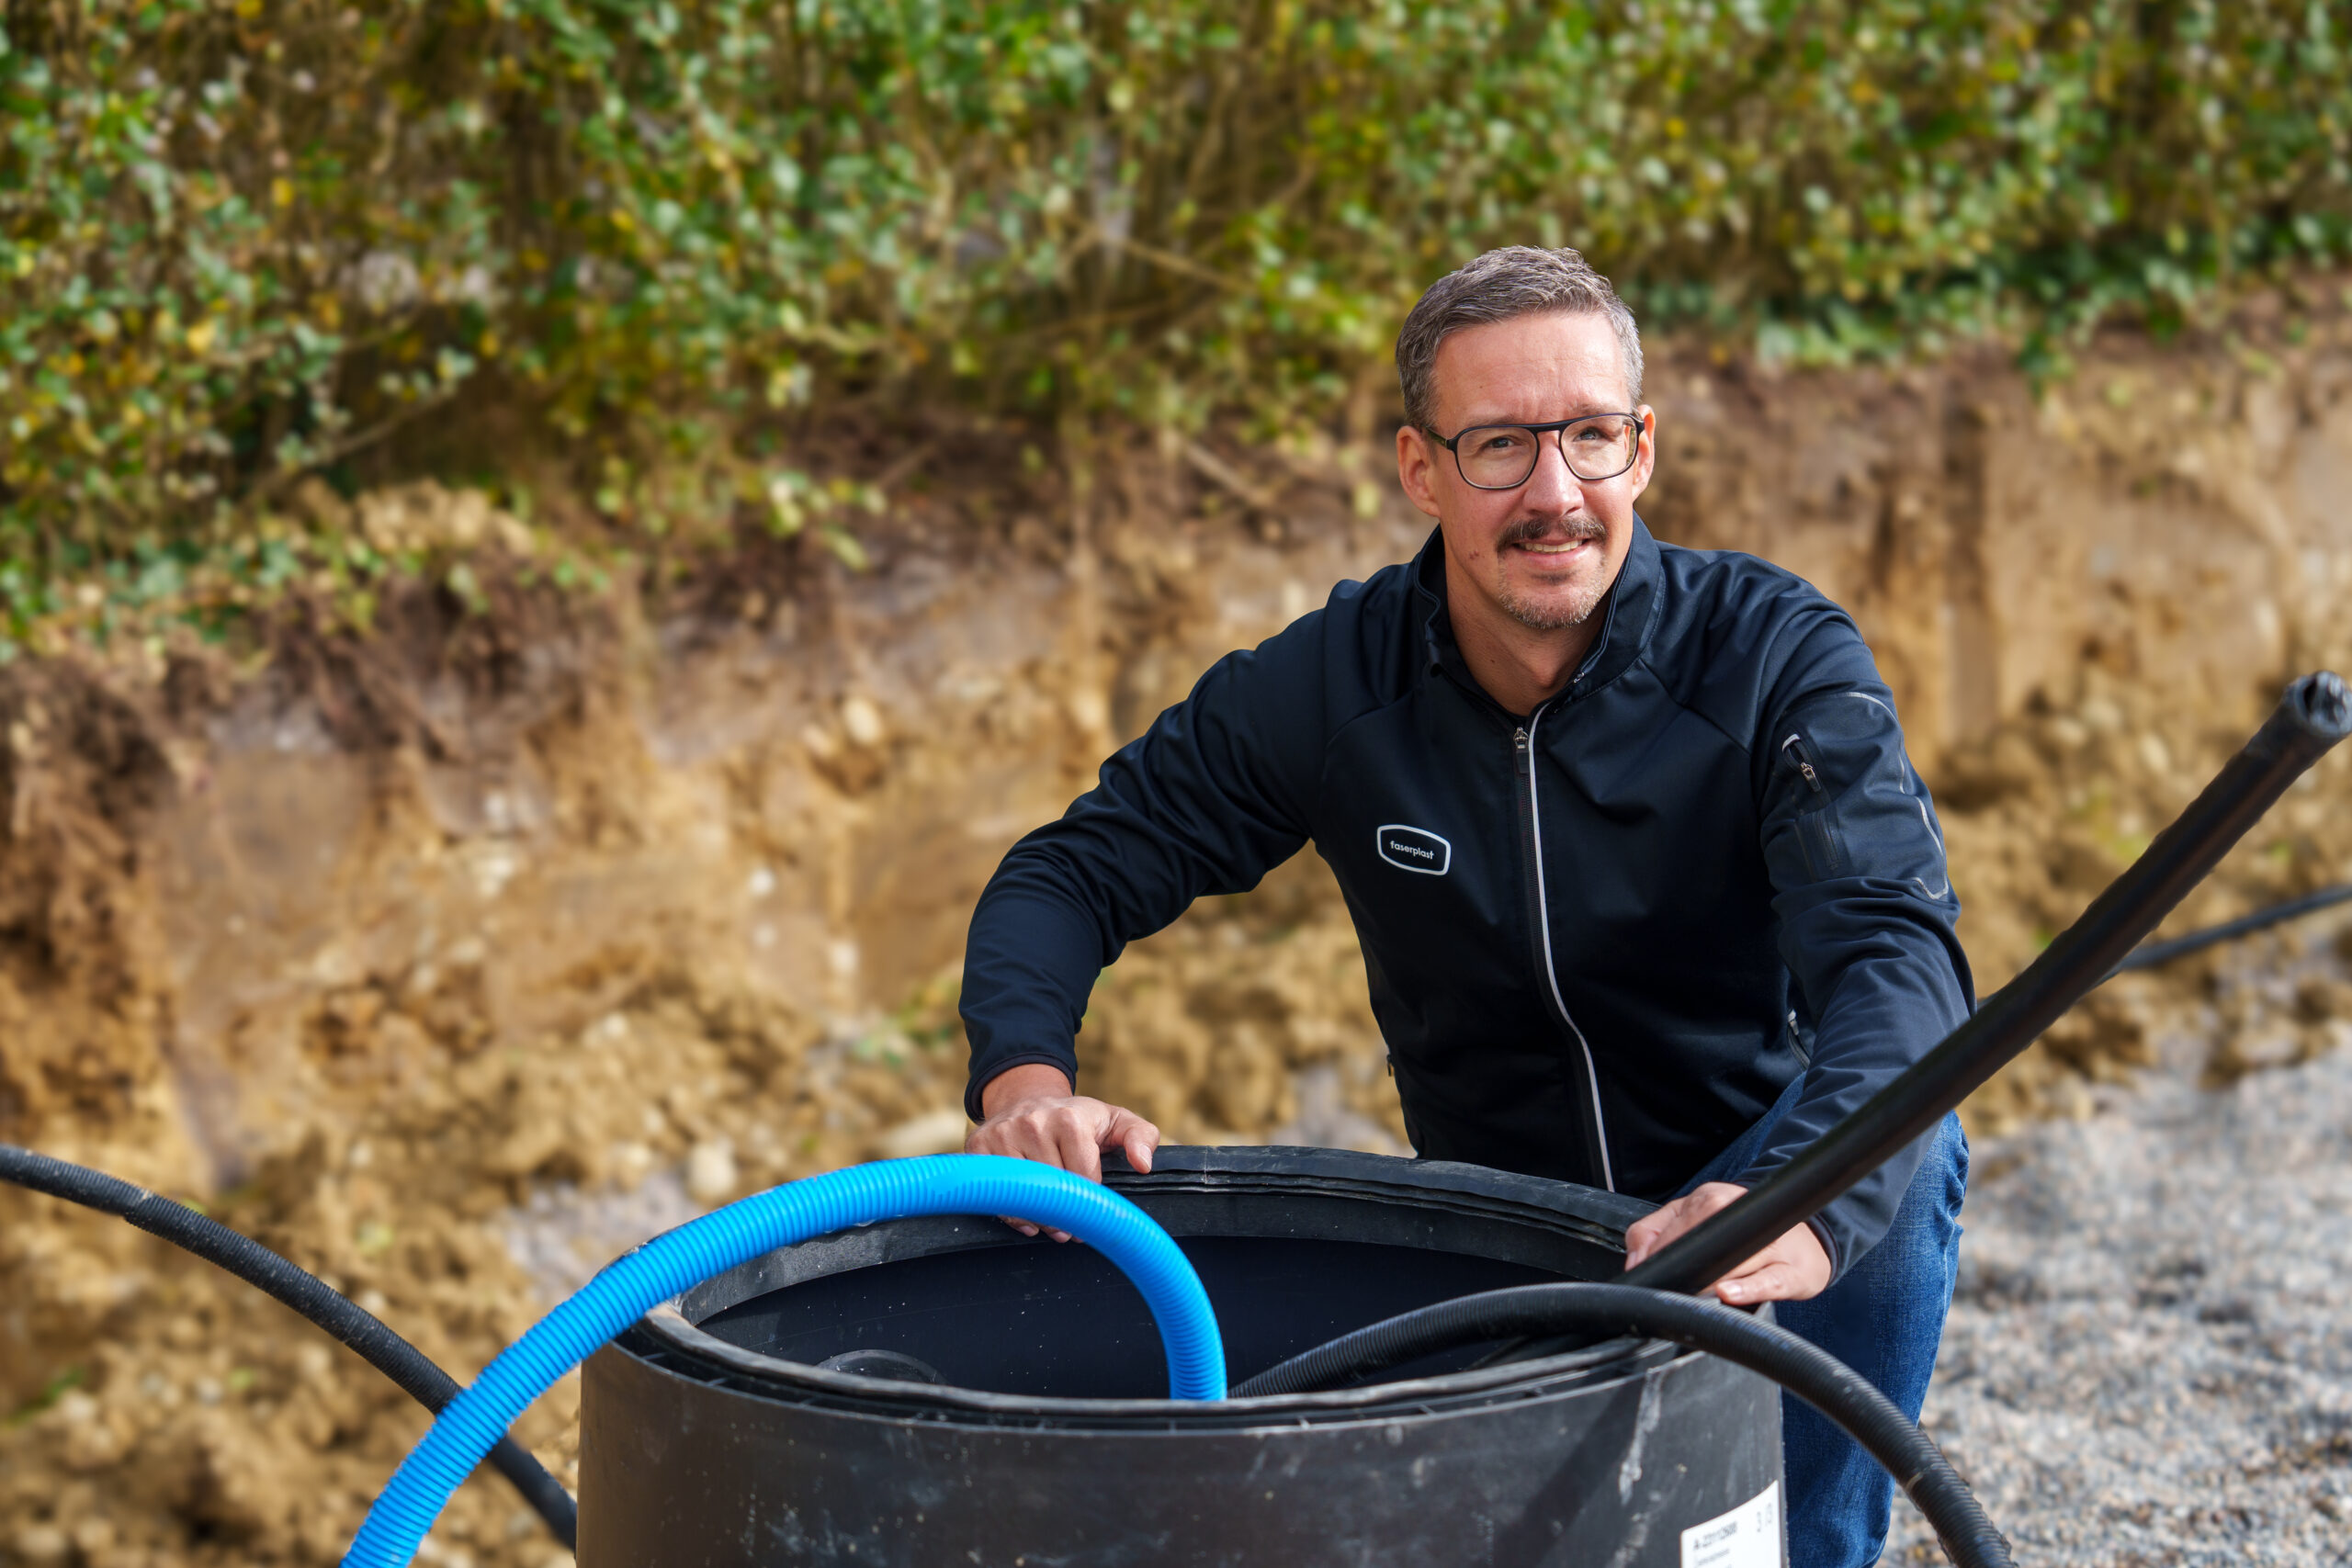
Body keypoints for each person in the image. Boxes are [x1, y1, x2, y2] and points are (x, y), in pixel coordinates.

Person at [959, 244, 1971, 1566]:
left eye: (1592, 438)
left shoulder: (1776, 657)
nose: (1556, 494)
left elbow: (1897, 959)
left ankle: (1818, 1553)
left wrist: (1791, 1194)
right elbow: (1070, 870)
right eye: (1499, 445)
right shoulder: (1332, 687)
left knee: (1904, 1144)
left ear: (1643, 449)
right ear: (1419, 469)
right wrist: (1024, 1083)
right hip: (1500, 1225)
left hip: (1751, 1172)